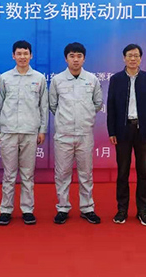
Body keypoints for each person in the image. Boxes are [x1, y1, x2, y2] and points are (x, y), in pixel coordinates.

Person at [0, 40, 48, 226]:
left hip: (30, 131)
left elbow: (43, 106)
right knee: (9, 174)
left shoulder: (39, 78)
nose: (22, 57)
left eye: (26, 53)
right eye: (19, 53)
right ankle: (6, 210)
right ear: (13, 56)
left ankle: (27, 209)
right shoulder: (5, 78)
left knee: (27, 174)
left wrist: (42, 130)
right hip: (8, 131)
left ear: (31, 55)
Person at [49, 42, 103, 224]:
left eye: (79, 56)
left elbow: (97, 103)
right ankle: (63, 207)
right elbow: (53, 105)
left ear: (84, 59)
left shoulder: (92, 80)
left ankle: (87, 208)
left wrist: (85, 117)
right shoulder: (57, 80)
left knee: (86, 173)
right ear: (66, 59)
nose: (75, 59)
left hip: (84, 134)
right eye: (72, 56)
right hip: (63, 135)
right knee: (62, 173)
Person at [107, 43, 146, 226]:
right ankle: (122, 210)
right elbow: (111, 107)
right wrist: (111, 131)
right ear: (124, 58)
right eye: (129, 55)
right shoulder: (116, 80)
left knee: (143, 172)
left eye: (136, 55)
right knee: (122, 172)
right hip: (123, 130)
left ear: (140, 58)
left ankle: (142, 211)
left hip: (143, 132)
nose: (133, 58)